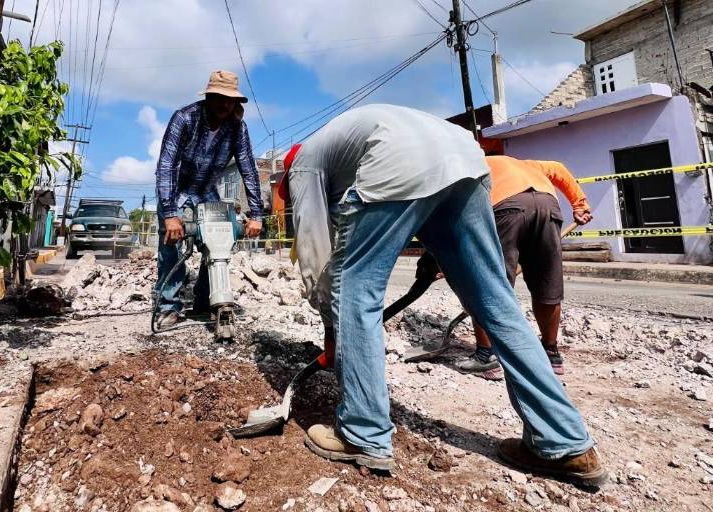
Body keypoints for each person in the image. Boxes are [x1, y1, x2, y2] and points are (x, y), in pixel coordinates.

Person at [280, 104, 606, 486]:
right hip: (465, 159)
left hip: (398, 157)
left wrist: (332, 324)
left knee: (356, 292)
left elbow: (314, 249)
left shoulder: (302, 164)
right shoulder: (342, 146)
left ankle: (362, 432)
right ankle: (564, 442)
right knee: (496, 300)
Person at [457, 156, 593, 380]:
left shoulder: (470, 163)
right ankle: (551, 354)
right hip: (548, 205)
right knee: (546, 283)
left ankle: (486, 357)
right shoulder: (528, 164)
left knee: (486, 285)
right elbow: (559, 168)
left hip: (506, 207)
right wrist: (580, 206)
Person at [154, 70, 263, 328]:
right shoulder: (184, 118)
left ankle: (207, 301)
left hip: (206, 191)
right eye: (219, 98)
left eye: (230, 100)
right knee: (171, 246)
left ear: (235, 102)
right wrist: (170, 214)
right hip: (177, 190)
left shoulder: (237, 128)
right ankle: (168, 307)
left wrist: (257, 214)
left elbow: (248, 168)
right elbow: (167, 165)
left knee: (218, 241)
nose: (225, 104)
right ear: (208, 97)